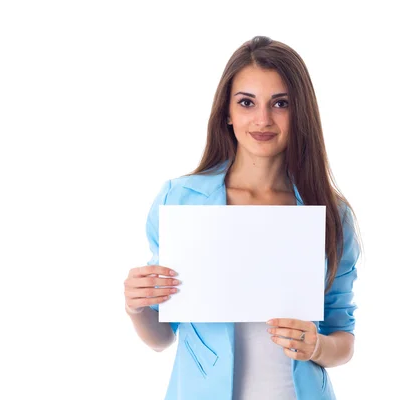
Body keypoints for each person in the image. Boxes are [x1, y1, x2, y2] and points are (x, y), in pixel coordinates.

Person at [124, 35, 362, 400]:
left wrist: (316, 346)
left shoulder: (330, 213)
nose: (263, 119)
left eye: (280, 103)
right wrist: (137, 306)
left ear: (300, 112)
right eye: (247, 103)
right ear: (228, 114)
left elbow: (342, 336)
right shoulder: (180, 201)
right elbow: (162, 338)